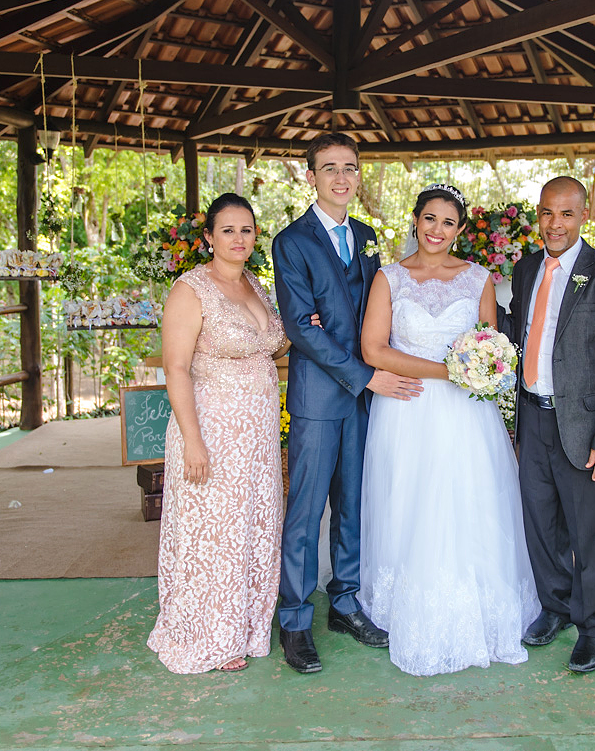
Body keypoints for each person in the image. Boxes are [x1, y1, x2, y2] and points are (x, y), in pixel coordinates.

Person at [359, 183, 541, 676]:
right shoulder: (389, 278)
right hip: (408, 408)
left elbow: (491, 344)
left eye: (447, 222)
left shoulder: (479, 277)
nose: (436, 230)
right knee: (411, 501)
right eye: (429, 219)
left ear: (460, 229)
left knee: (469, 501)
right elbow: (374, 350)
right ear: (414, 220)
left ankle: (480, 608)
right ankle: (407, 607)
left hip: (467, 416)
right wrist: (451, 372)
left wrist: (482, 369)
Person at [272, 132, 423, 674]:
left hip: (364, 398)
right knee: (307, 511)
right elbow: (301, 328)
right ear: (310, 176)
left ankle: (344, 603)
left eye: (350, 168)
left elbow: (370, 315)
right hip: (319, 398)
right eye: (329, 167)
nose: (341, 177)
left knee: (355, 505)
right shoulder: (291, 242)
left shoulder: (366, 235)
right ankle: (293, 618)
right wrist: (366, 376)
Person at [505, 176, 595, 674]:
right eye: (546, 213)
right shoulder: (525, 270)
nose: (554, 224)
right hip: (533, 419)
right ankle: (555, 608)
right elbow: (516, 331)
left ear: (585, 215)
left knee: (591, 532)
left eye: (565, 214)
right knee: (541, 525)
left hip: (583, 428)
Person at [147, 193, 287, 674]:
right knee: (214, 533)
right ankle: (209, 633)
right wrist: (193, 439)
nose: (238, 238)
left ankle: (245, 626)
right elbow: (176, 367)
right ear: (208, 237)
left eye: (246, 230)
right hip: (212, 429)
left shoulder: (256, 285)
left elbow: (273, 346)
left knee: (250, 526)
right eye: (227, 230)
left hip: (258, 437)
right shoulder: (191, 289)